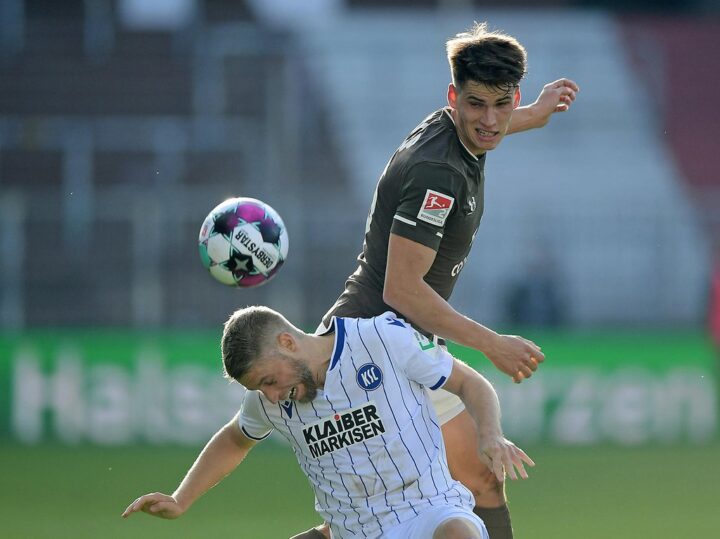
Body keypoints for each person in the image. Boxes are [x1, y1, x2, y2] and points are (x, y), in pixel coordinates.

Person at [294, 21, 579, 539]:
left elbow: (489, 125)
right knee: (386, 515)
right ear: (454, 97)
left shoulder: (454, 130)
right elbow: (400, 290)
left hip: (398, 341)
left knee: (464, 487)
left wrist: (534, 115)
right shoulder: (439, 175)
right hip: (372, 349)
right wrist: (492, 343)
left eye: (502, 103)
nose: (489, 120)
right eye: (476, 104)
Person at [122, 306, 534, 539]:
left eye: (269, 380)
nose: (269, 395)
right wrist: (181, 499)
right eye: (258, 389)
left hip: (428, 511)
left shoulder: (381, 340)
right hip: (351, 533)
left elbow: (469, 382)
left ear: (288, 342)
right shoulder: (269, 400)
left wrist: (490, 433)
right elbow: (234, 439)